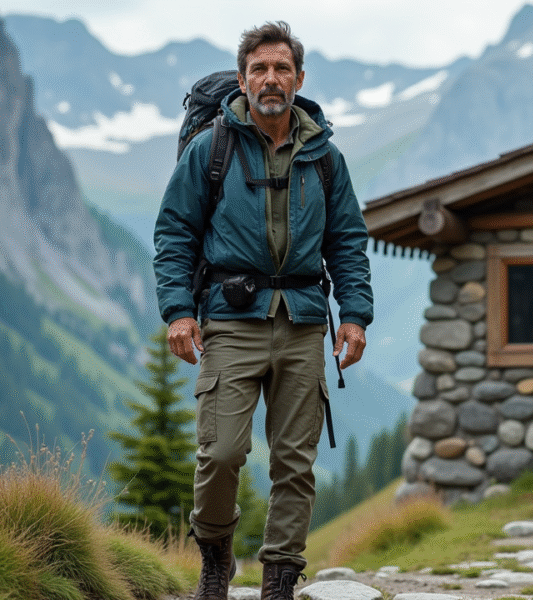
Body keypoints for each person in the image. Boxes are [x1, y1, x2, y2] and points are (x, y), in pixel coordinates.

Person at [153, 21, 373, 600]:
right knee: (222, 452)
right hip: (229, 318)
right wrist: (179, 311)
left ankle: (279, 578)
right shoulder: (212, 148)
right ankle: (216, 559)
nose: (270, 79)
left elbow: (347, 239)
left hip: (302, 319)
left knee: (294, 463)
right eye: (259, 69)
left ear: (299, 78)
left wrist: (355, 314)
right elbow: (174, 231)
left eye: (281, 68)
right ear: (244, 80)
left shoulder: (325, 156)